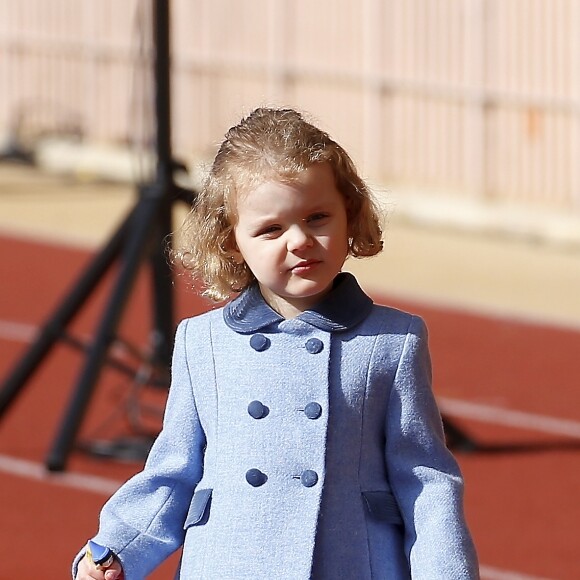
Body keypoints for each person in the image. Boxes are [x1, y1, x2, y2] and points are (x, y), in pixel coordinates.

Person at [74, 107, 479, 579]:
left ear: (349, 215)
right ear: (231, 240)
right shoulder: (202, 343)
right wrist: (117, 549)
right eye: (271, 229)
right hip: (227, 563)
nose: (300, 240)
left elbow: (424, 480)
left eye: (318, 217)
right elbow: (174, 472)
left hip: (349, 562)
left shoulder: (393, 341)